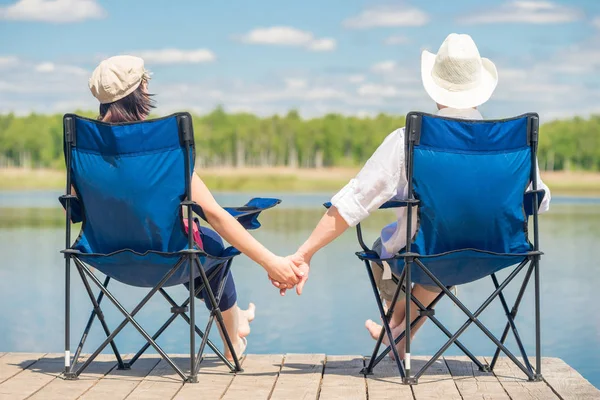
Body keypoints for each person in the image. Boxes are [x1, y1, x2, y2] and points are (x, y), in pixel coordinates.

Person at [274, 33, 552, 360]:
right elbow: (541, 200)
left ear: (434, 89)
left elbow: (355, 201)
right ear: (480, 90)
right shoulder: (512, 145)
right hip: (499, 254)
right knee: (443, 254)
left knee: (399, 250)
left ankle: (394, 328)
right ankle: (398, 335)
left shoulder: (411, 139)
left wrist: (304, 253)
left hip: (424, 258)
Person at [87, 55, 303, 361]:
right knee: (209, 246)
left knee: (196, 249)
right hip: (168, 260)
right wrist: (272, 262)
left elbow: (76, 209)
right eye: (145, 84)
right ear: (138, 92)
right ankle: (232, 342)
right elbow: (213, 214)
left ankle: (237, 320)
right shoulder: (160, 149)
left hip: (105, 259)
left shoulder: (84, 148)